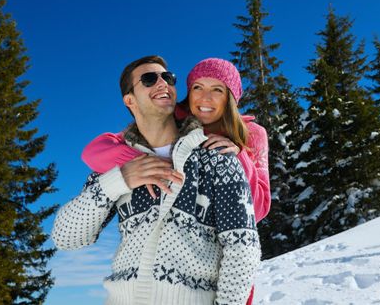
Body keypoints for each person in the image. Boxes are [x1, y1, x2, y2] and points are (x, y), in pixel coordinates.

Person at [52, 56, 260, 305]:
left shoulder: (217, 158)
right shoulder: (117, 167)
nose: (162, 83)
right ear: (130, 100)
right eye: (149, 79)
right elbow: (66, 237)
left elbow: (242, 248)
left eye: (168, 77)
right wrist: (120, 179)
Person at [82, 57, 271, 223]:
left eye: (217, 90)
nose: (205, 98)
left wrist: (239, 157)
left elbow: (259, 210)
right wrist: (144, 162)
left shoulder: (252, 134)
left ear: (230, 98)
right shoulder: (175, 119)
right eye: (198, 87)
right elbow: (94, 152)